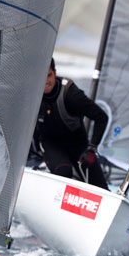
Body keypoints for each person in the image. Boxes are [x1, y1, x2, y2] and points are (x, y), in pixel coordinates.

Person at [33, 58, 109, 190]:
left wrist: (92, 147)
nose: (46, 81)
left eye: (49, 75)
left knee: (101, 188)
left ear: (55, 73)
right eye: (42, 76)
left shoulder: (71, 94)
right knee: (64, 172)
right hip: (51, 144)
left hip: (77, 144)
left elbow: (101, 117)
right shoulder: (31, 94)